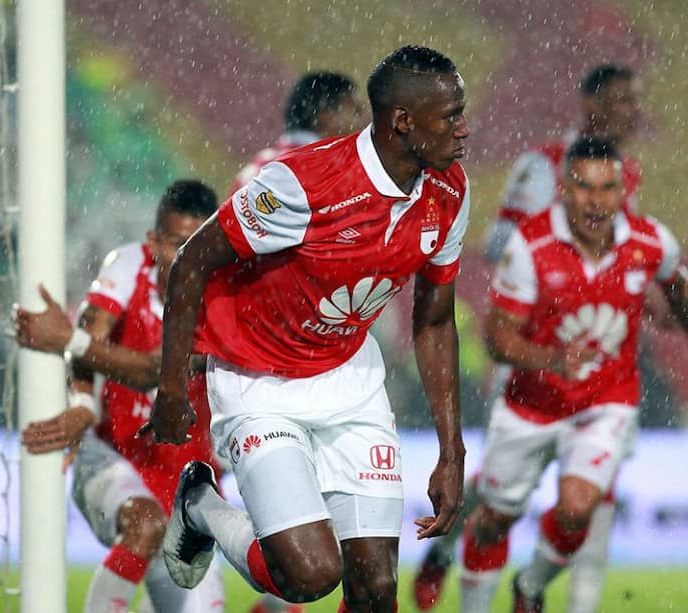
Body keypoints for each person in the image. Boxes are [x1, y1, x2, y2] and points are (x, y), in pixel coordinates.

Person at [140, 45, 470, 613]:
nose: (463, 130)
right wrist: (172, 386)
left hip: (349, 380)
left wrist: (451, 448)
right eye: (451, 116)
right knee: (310, 575)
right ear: (403, 122)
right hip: (259, 382)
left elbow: (435, 319)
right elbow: (193, 262)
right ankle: (199, 504)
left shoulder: (449, 191)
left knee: (375, 592)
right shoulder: (301, 185)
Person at [413, 64, 663, 613]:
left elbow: (627, 258)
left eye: (633, 99)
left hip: (596, 354)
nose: (631, 111)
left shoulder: (627, 176)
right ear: (590, 102)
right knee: (498, 495)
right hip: (531, 344)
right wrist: (558, 261)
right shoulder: (542, 166)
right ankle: (446, 548)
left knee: (591, 495)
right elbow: (500, 241)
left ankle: (568, 599)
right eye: (620, 100)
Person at [455, 137, 688, 612]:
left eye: (607, 189)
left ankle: (529, 587)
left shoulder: (649, 242)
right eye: (584, 187)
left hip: (606, 401)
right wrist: (553, 361)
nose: (596, 201)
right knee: (492, 522)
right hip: (531, 404)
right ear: (563, 188)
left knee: (578, 506)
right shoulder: (531, 246)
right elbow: (497, 339)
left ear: (623, 190)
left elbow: (683, 293)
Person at [16, 180, 226, 613]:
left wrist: (68, 339)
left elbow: (156, 369)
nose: (184, 257)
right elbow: (92, 338)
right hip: (114, 457)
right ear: (153, 241)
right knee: (144, 525)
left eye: (194, 244)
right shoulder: (128, 265)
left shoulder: (225, 294)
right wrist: (82, 404)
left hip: (187, 483)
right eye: (173, 244)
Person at [230, 70, 363, 195]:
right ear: (325, 115)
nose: (361, 121)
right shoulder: (324, 169)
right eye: (356, 111)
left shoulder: (262, 164)